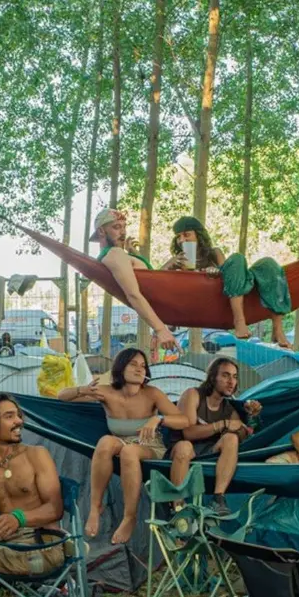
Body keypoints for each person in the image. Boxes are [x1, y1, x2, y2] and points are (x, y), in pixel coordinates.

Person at [56, 348, 188, 545]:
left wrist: (158, 419)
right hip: (120, 441)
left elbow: (184, 420)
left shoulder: (152, 394)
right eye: (133, 364)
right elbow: (61, 396)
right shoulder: (107, 392)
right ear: (120, 367)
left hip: (149, 445)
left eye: (143, 366)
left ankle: (129, 517)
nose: (139, 369)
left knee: (129, 451)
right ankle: (95, 507)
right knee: (105, 442)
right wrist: (82, 390)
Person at [0, 394, 67, 575]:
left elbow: (55, 509)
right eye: (9, 416)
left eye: (18, 415)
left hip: (41, 544)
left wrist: (17, 518)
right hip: (4, 543)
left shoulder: (36, 455)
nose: (19, 421)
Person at [168, 357, 253, 516]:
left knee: (231, 439)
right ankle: (177, 507)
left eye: (234, 377)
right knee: (184, 447)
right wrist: (222, 424)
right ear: (213, 377)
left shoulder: (228, 408)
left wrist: (250, 417)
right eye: (226, 375)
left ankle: (218, 498)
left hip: (209, 454)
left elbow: (242, 434)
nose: (231, 382)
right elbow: (188, 433)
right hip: (182, 449)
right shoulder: (193, 395)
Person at [90, 208, 179, 355]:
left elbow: (148, 278)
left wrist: (133, 253)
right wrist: (160, 329)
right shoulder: (114, 254)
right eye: (116, 227)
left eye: (124, 227)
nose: (123, 232)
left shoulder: (120, 254)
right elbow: (133, 294)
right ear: (101, 232)